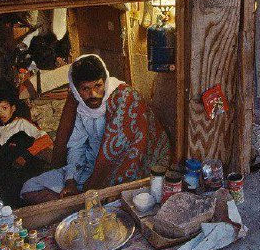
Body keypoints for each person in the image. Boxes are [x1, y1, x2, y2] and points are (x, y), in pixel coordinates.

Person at [20, 54, 170, 204]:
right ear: (76, 90)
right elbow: (77, 146)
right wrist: (70, 180)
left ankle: (78, 206)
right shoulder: (81, 107)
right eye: (85, 89)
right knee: (29, 188)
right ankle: (76, 205)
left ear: (105, 81)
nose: (93, 94)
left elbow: (131, 150)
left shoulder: (125, 98)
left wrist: (89, 186)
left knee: (111, 201)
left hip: (117, 171)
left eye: (98, 86)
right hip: (85, 168)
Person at [0, 88, 53, 171]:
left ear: (13, 108)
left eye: (4, 108)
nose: (0, 113)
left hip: (23, 164)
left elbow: (45, 139)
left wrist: (24, 156)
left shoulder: (21, 123)